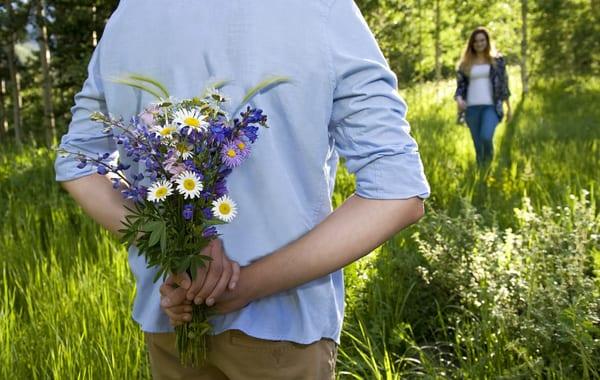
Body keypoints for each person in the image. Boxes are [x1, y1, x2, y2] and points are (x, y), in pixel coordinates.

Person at [55, 0, 430, 378]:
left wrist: (176, 251)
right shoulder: (321, 9)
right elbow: (397, 191)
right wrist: (241, 286)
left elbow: (75, 162)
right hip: (281, 335)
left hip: (172, 319)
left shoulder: (130, 14)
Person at [454, 26, 511, 165]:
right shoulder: (465, 64)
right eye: (476, 41)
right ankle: (482, 173)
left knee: (486, 136)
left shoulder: (497, 61)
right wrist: (459, 100)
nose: (479, 43)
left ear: (487, 41)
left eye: (482, 40)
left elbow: (504, 85)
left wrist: (509, 108)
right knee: (478, 145)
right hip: (471, 108)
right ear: (471, 44)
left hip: (490, 107)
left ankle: (489, 165)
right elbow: (460, 87)